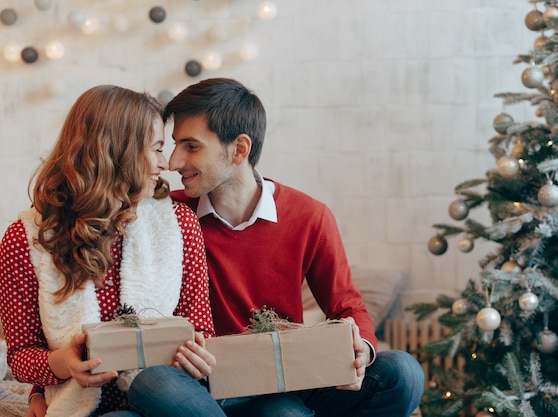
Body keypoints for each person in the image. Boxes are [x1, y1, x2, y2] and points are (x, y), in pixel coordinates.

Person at [128, 77, 424, 416]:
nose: (175, 161)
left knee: (403, 372)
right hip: (210, 388)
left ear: (239, 149)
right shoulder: (168, 215)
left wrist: (362, 351)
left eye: (191, 146)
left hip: (287, 380)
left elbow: (346, 306)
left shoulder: (309, 216)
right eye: (174, 145)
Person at [0, 85, 217, 417]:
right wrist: (64, 364)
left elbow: (199, 326)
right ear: (118, 152)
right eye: (157, 148)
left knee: (153, 381)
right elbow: (20, 355)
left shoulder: (177, 223)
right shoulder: (26, 239)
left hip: (169, 396)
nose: (165, 163)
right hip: (87, 406)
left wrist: (198, 353)